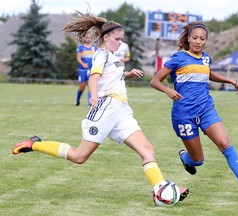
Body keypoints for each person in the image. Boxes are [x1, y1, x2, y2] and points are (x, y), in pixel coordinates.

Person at [11, 11, 189, 203]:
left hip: (121, 111)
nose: (120, 42)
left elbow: (110, 76)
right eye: (117, 39)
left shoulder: (112, 58)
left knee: (147, 150)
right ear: (106, 38)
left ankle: (160, 190)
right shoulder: (101, 55)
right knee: (79, 156)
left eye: (121, 39)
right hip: (106, 108)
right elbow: (94, 78)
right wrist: (94, 97)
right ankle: (34, 144)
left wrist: (127, 74)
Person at [150, 21, 238, 199]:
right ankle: (186, 158)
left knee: (225, 144)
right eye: (195, 38)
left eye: (202, 39)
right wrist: (168, 91)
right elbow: (155, 81)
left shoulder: (205, 58)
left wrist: (232, 82)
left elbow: (210, 74)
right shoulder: (178, 58)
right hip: (184, 115)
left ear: (206, 41)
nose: (198, 41)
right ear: (188, 38)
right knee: (198, 160)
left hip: (206, 110)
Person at [75, 32, 97, 106]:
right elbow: (78, 58)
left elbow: (96, 58)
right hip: (82, 70)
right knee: (82, 86)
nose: (88, 39)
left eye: (90, 38)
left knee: (91, 86)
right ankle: (77, 101)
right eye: (87, 37)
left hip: (91, 70)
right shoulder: (80, 47)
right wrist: (83, 64)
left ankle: (89, 103)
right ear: (84, 38)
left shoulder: (94, 48)